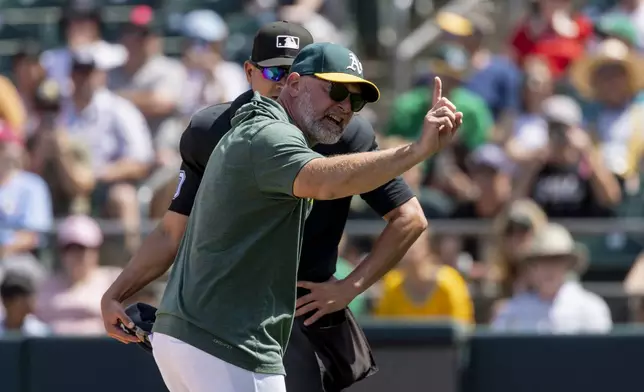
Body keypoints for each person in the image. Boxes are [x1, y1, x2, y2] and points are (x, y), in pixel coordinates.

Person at [101, 27, 458, 392]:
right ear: (256, 74)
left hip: (281, 315)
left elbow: (409, 217)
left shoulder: (340, 130)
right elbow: (171, 232)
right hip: (232, 328)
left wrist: (349, 288)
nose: (282, 81)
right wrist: (415, 151)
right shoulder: (244, 131)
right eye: (276, 73)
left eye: (290, 69)